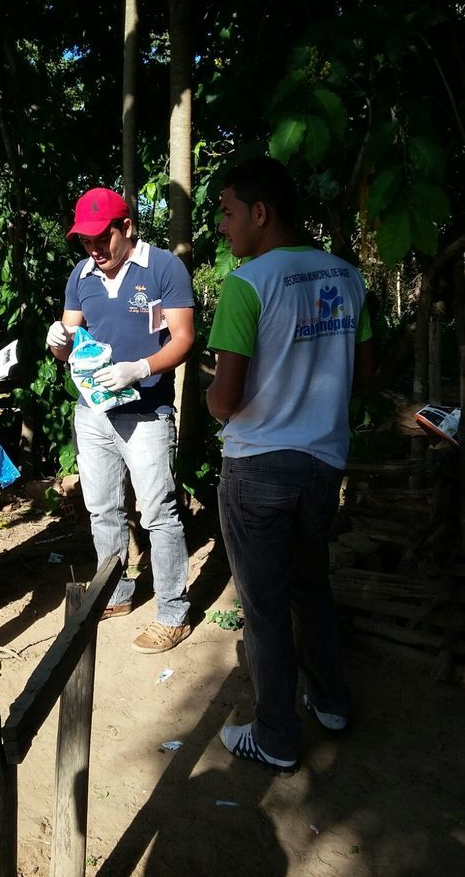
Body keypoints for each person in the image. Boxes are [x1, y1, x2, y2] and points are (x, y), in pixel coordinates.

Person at [206, 157, 373, 774]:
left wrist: (208, 398)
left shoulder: (249, 285)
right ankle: (329, 702)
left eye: (226, 212)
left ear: (259, 212)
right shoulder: (349, 277)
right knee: (312, 585)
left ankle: (275, 735)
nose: (222, 227)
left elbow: (225, 401)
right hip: (324, 461)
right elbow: (366, 374)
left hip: (259, 467)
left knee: (266, 606)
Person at [47, 187, 195, 654]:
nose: (93, 248)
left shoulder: (164, 269)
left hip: (146, 412)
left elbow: (185, 338)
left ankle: (173, 611)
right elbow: (68, 340)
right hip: (92, 412)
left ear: (126, 227)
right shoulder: (82, 274)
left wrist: (143, 367)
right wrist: (58, 341)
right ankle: (117, 589)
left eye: (100, 238)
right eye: (84, 240)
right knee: (102, 508)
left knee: (157, 511)